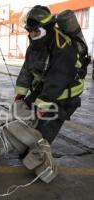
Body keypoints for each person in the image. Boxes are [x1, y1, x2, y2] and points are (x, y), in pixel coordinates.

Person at [15, 5, 85, 144]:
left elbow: (57, 80)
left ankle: (41, 159)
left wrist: (41, 108)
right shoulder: (36, 43)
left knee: (39, 137)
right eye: (30, 31)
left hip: (64, 94)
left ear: (46, 28)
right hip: (45, 88)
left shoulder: (62, 47)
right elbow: (28, 67)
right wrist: (21, 93)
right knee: (20, 118)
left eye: (36, 31)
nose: (32, 35)